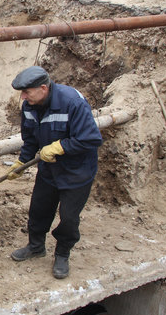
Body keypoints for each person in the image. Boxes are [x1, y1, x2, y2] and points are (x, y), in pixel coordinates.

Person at [7, 66, 102, 279]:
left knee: (69, 217)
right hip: (49, 170)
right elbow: (30, 139)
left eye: (26, 91)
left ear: (43, 88)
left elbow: (91, 138)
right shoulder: (29, 107)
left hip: (77, 172)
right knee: (39, 210)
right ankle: (36, 246)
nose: (22, 97)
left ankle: (62, 253)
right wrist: (21, 162)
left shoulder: (72, 102)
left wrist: (60, 147)